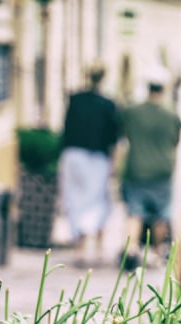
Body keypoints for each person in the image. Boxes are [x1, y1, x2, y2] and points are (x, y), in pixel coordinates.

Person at [120, 66, 181, 269]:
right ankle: (156, 253)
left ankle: (131, 252)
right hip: (162, 170)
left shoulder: (133, 111)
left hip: (137, 168)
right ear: (163, 89)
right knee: (161, 215)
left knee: (135, 212)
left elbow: (124, 133)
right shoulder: (171, 116)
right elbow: (176, 141)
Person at [59, 62, 120, 267]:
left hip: (73, 154)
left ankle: (80, 245)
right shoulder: (108, 105)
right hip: (97, 158)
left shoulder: (75, 100)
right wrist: (114, 165)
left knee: (75, 198)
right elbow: (113, 138)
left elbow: (65, 129)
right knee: (95, 200)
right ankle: (90, 245)